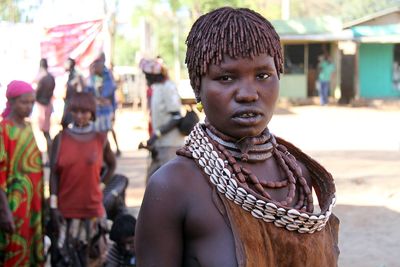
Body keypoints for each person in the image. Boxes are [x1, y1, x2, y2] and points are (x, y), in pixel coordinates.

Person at [136, 7, 339, 267]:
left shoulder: (298, 175)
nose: (248, 94)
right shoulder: (172, 187)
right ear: (198, 86)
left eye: (263, 75)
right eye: (226, 77)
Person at [49, 92, 116, 266]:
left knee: (94, 258)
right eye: (76, 111)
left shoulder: (100, 138)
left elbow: (111, 164)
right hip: (66, 209)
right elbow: (54, 174)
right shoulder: (61, 138)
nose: (79, 116)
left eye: (84, 112)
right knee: (68, 259)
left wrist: (100, 185)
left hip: (92, 208)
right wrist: (53, 206)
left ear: (92, 113)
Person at [0, 80, 45, 266]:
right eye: (24, 102)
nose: (29, 107)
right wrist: (4, 212)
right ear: (11, 102)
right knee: (14, 250)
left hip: (33, 203)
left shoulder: (27, 127)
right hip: (13, 202)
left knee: (32, 248)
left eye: (32, 102)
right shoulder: (4, 130)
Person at [138, 58, 185, 183]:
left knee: (169, 184)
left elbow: (176, 117)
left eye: (147, 75)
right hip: (159, 145)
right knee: (152, 182)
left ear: (155, 75)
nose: (146, 78)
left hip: (170, 145)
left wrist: (157, 134)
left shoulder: (168, 87)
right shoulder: (157, 88)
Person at [34, 58, 56, 161]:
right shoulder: (51, 78)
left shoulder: (42, 78)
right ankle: (50, 157)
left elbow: (37, 92)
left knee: (45, 133)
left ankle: (50, 157)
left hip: (42, 106)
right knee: (46, 132)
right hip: (48, 105)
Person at [61, 57, 85, 129]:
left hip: (73, 105)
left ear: (70, 64)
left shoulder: (76, 75)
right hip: (69, 103)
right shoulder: (71, 75)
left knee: (72, 125)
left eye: (66, 63)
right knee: (65, 124)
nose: (64, 65)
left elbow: (80, 90)